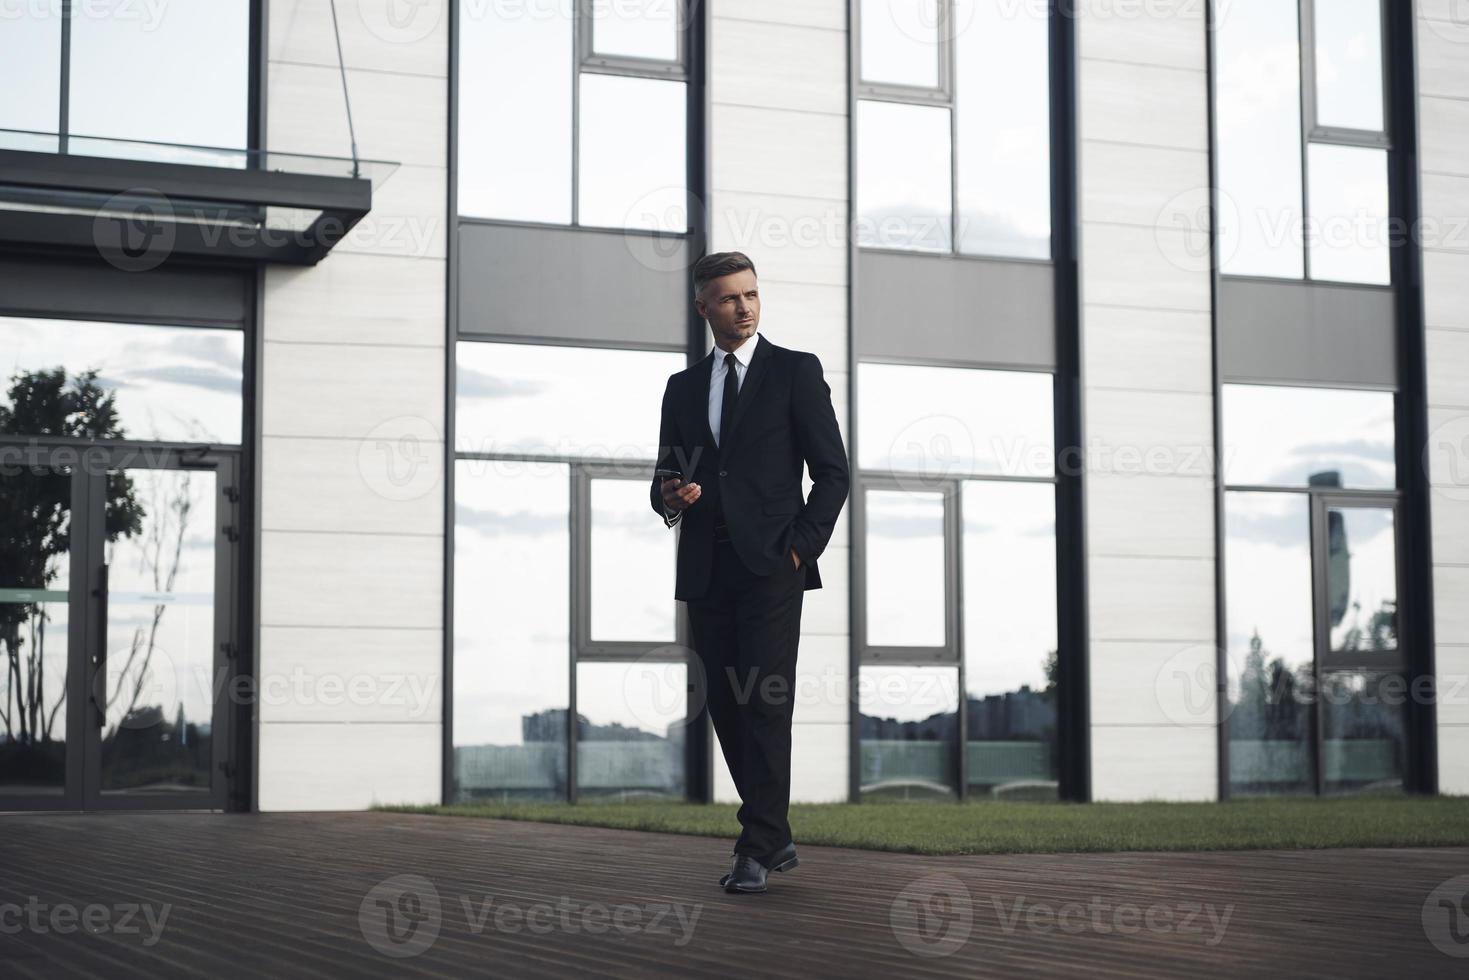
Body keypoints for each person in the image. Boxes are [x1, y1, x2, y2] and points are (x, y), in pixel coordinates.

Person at [650, 250, 849, 894]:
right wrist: (670, 497)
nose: (744, 306)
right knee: (725, 701)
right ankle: (775, 829)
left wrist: (801, 549)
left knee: (766, 701)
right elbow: (666, 475)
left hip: (773, 568)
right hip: (707, 567)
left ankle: (757, 843)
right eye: (730, 297)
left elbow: (833, 473)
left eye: (752, 295)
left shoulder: (796, 372)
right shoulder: (683, 389)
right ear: (703, 305)